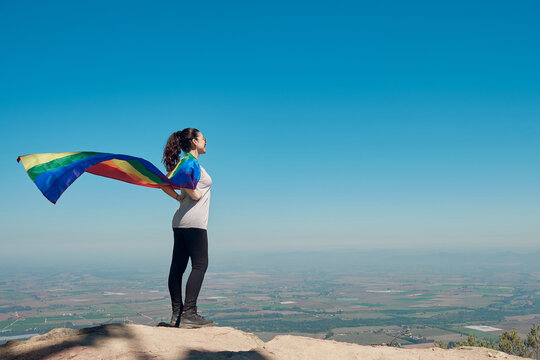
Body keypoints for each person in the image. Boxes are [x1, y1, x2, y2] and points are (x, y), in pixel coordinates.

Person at [161, 128, 213, 328]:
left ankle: (177, 315)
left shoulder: (183, 163)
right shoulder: (191, 162)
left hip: (180, 222)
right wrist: (193, 194)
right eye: (203, 138)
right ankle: (189, 313)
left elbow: (164, 183)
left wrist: (178, 198)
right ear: (193, 141)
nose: (206, 142)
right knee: (200, 265)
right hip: (194, 223)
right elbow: (189, 189)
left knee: (178, 268)